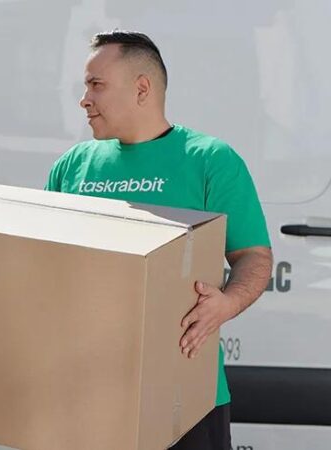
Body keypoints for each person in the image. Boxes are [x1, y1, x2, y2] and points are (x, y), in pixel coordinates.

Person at [45, 30, 273, 450]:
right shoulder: (72, 166)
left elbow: (254, 256)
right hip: (87, 394)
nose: (84, 99)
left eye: (96, 85)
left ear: (141, 89)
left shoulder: (209, 160)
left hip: (185, 396)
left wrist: (226, 304)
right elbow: (45, 263)